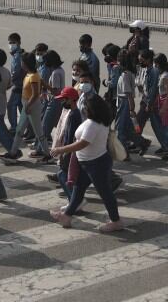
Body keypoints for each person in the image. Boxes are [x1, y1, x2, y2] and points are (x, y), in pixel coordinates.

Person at [50, 93, 124, 233]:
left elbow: (82, 144)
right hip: (87, 163)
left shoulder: (93, 125)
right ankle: (66, 216)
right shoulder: (99, 121)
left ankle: (116, 221)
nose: (83, 109)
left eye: (86, 107)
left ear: (92, 109)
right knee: (78, 191)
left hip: (96, 164)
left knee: (105, 193)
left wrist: (60, 149)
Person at [7, 51, 50, 161]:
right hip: (27, 104)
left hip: (31, 105)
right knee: (19, 130)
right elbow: (43, 82)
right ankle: (12, 153)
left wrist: (28, 106)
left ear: (26, 63)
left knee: (38, 131)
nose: (21, 63)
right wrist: (50, 88)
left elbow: (35, 94)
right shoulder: (31, 74)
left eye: (22, 61)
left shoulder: (33, 77)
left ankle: (48, 155)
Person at [6, 32, 25, 135]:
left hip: (18, 85)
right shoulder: (18, 54)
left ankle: (14, 128)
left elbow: (16, 72)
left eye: (13, 42)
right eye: (10, 42)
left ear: (19, 42)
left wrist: (9, 83)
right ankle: (24, 127)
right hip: (21, 85)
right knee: (21, 107)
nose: (11, 44)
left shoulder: (17, 56)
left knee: (11, 106)